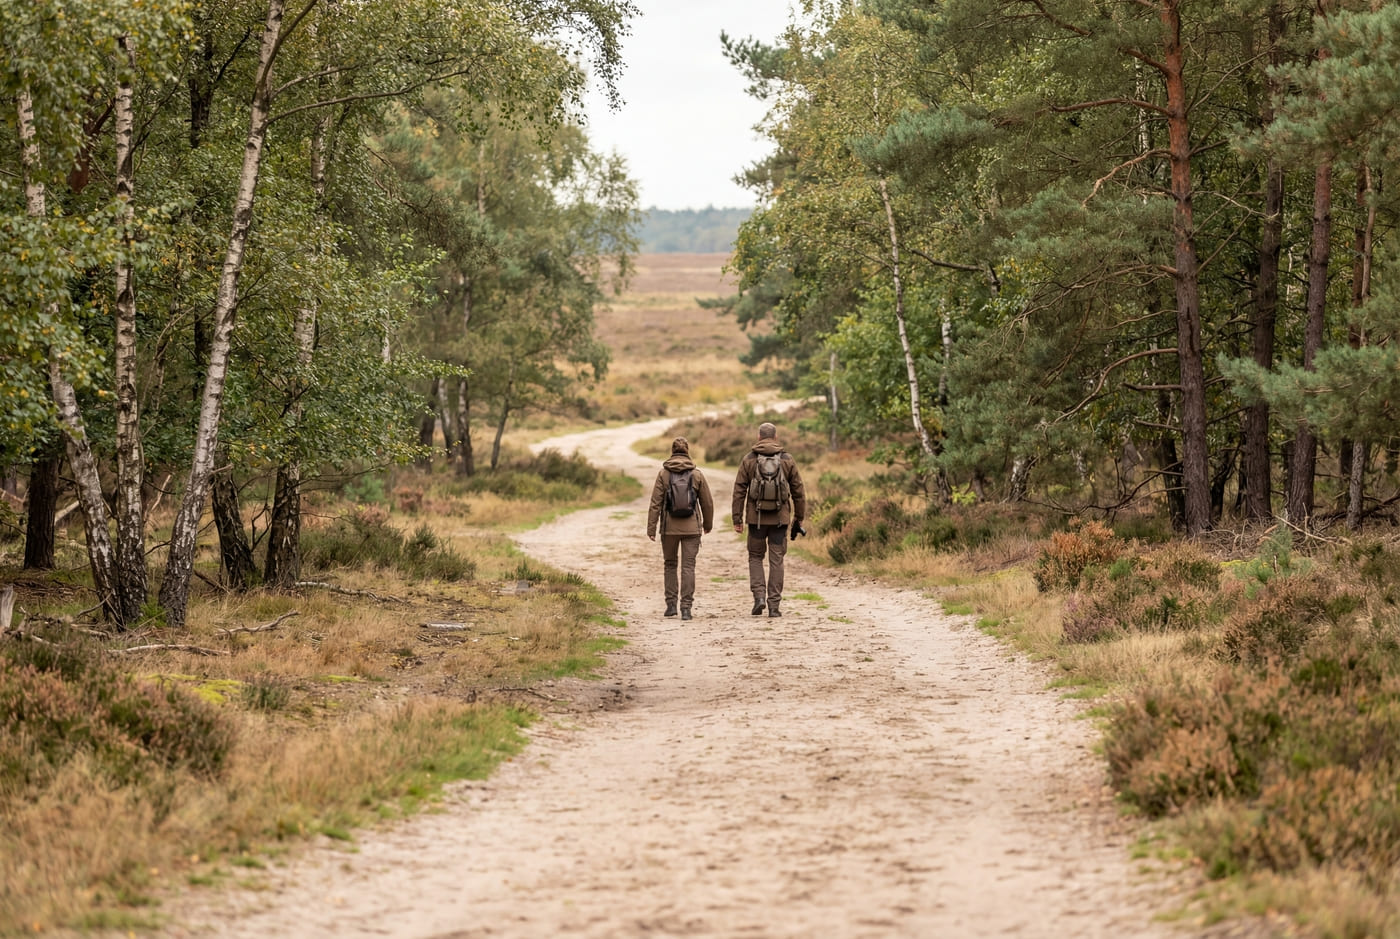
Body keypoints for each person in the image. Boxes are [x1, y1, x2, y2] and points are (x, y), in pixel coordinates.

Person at [732, 421, 807, 617]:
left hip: (755, 519)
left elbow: (739, 490)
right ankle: (774, 606)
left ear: (758, 437)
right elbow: (798, 491)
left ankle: (759, 597)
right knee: (777, 560)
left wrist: (737, 518)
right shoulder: (787, 459)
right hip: (780, 520)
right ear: (775, 437)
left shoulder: (748, 459)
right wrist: (798, 518)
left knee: (755, 557)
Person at [647, 436, 715, 620]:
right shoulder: (697, 474)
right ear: (687, 451)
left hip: (669, 529)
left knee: (670, 564)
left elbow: (655, 503)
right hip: (692, 529)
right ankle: (686, 608)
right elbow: (707, 503)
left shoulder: (663, 474)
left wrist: (651, 528)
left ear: (672, 451)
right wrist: (707, 524)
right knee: (688, 566)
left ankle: (671, 605)